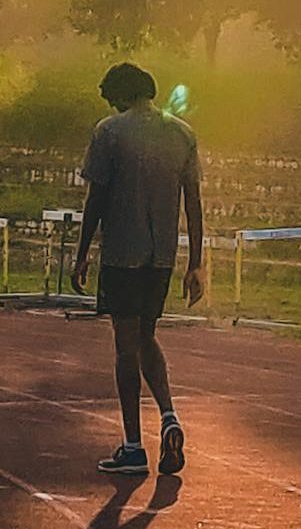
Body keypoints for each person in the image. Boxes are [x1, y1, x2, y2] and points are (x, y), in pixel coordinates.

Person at [72, 63, 205, 477]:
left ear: (120, 94)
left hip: (122, 254)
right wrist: (196, 263)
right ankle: (168, 417)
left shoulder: (110, 132)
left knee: (125, 347)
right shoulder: (182, 134)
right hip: (160, 257)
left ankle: (132, 446)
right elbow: (194, 204)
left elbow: (97, 197)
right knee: (147, 336)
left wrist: (81, 254)